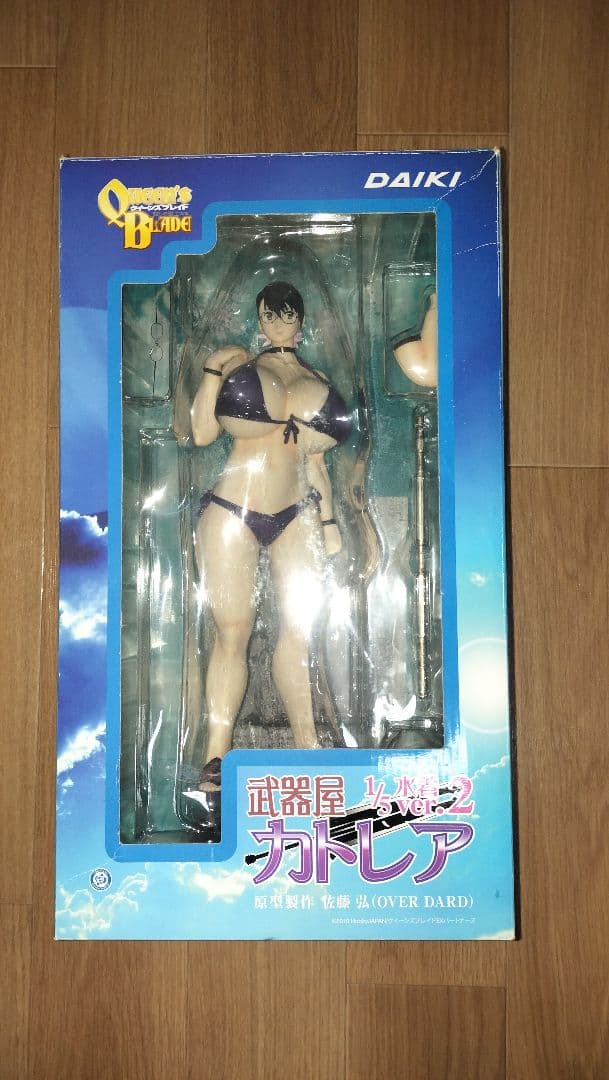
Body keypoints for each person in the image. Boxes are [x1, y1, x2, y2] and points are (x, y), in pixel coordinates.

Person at [186, 281, 351, 791]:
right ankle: (216, 755)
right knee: (232, 632)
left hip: (296, 511)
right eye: (270, 315)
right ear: (259, 319)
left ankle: (309, 745)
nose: (279, 323)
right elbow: (201, 434)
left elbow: (316, 464)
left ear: (300, 320)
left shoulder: (316, 379)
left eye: (287, 315)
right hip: (233, 509)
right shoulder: (238, 366)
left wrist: (329, 523)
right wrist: (212, 370)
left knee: (300, 629)